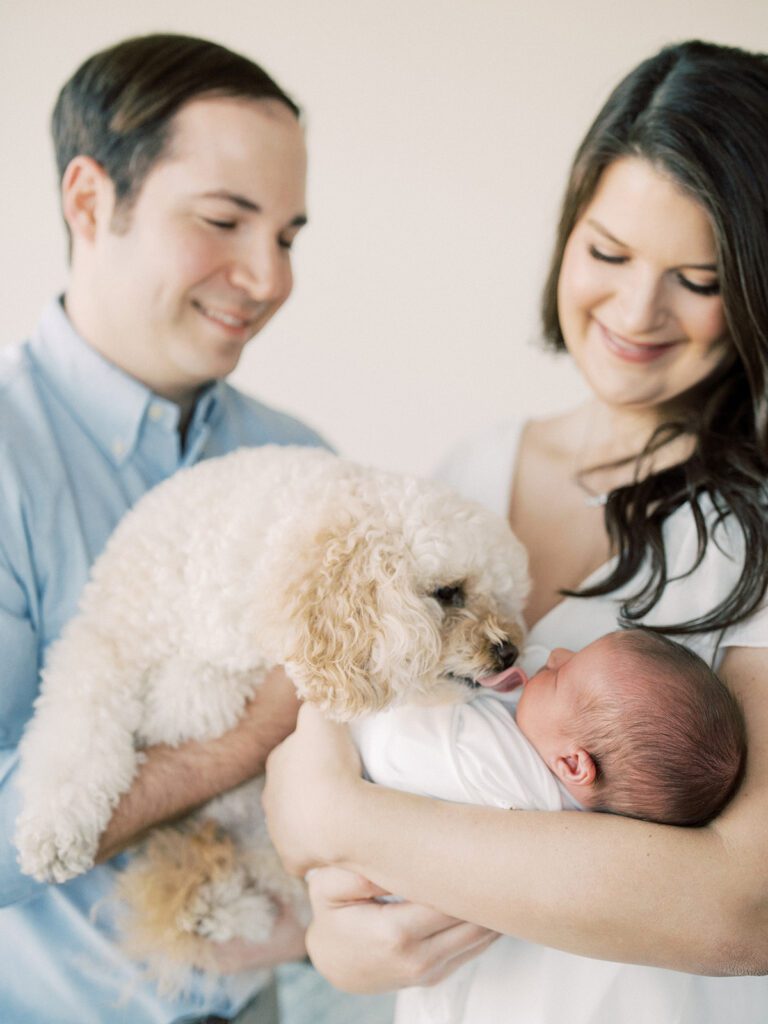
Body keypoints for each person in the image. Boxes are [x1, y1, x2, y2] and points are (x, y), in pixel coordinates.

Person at [263, 39, 768, 1023]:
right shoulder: (467, 477)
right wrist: (340, 943)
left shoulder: (752, 522)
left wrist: (349, 818)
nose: (634, 310)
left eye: (697, 279)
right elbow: (319, 753)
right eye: (608, 253)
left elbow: (741, 905)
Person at [0, 32, 354, 1024]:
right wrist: (238, 743)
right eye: (225, 220)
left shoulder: (303, 462)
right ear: (88, 201)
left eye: (287, 234)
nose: (269, 276)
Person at [353, 628, 746, 1023]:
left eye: (559, 674)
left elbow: (385, 738)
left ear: (573, 765)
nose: (555, 653)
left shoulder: (493, 766)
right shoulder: (582, 816)